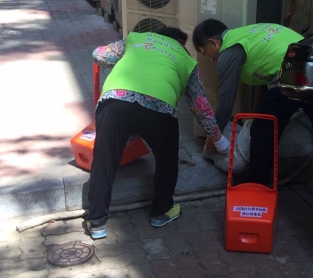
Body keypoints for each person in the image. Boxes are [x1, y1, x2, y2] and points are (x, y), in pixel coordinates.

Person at [86, 26, 229, 239]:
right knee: (167, 158)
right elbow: (202, 108)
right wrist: (221, 142)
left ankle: (96, 221)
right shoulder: (186, 60)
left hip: (115, 101)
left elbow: (99, 55)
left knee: (104, 159)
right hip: (159, 108)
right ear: (181, 43)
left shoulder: (136, 38)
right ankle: (162, 210)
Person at [192, 19, 303, 185]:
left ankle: (257, 184)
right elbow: (265, 75)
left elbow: (225, 104)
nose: (209, 58)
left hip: (292, 73)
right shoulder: (244, 36)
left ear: (213, 43)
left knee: (263, 130)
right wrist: (256, 111)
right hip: (311, 62)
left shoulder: (228, 52)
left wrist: (213, 137)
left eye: (204, 52)